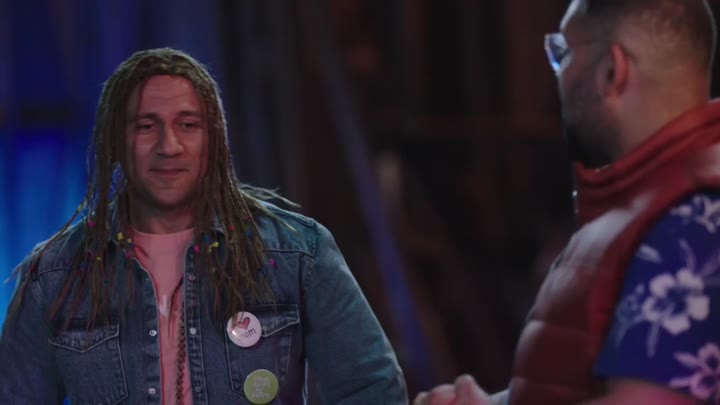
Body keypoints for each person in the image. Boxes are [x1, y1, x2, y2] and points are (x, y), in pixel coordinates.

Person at [0, 47, 407, 404]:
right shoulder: (55, 275)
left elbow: (371, 388)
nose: (169, 145)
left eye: (188, 125)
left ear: (213, 139)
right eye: (146, 126)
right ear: (116, 143)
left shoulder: (298, 254)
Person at [415, 0, 720, 404]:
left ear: (612, 72)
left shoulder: (694, 222)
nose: (557, 77)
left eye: (563, 54)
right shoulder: (650, 208)